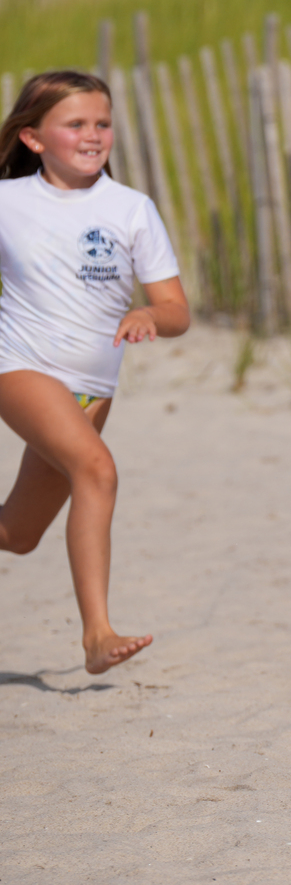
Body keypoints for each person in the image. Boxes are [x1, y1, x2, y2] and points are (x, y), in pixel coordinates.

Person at [0, 71, 188, 674]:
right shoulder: (8, 203)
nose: (93, 135)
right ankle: (97, 636)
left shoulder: (131, 208)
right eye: (75, 124)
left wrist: (148, 314)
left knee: (17, 534)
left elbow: (177, 310)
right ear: (32, 139)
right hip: (20, 366)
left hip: (93, 389)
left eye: (102, 123)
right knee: (98, 471)